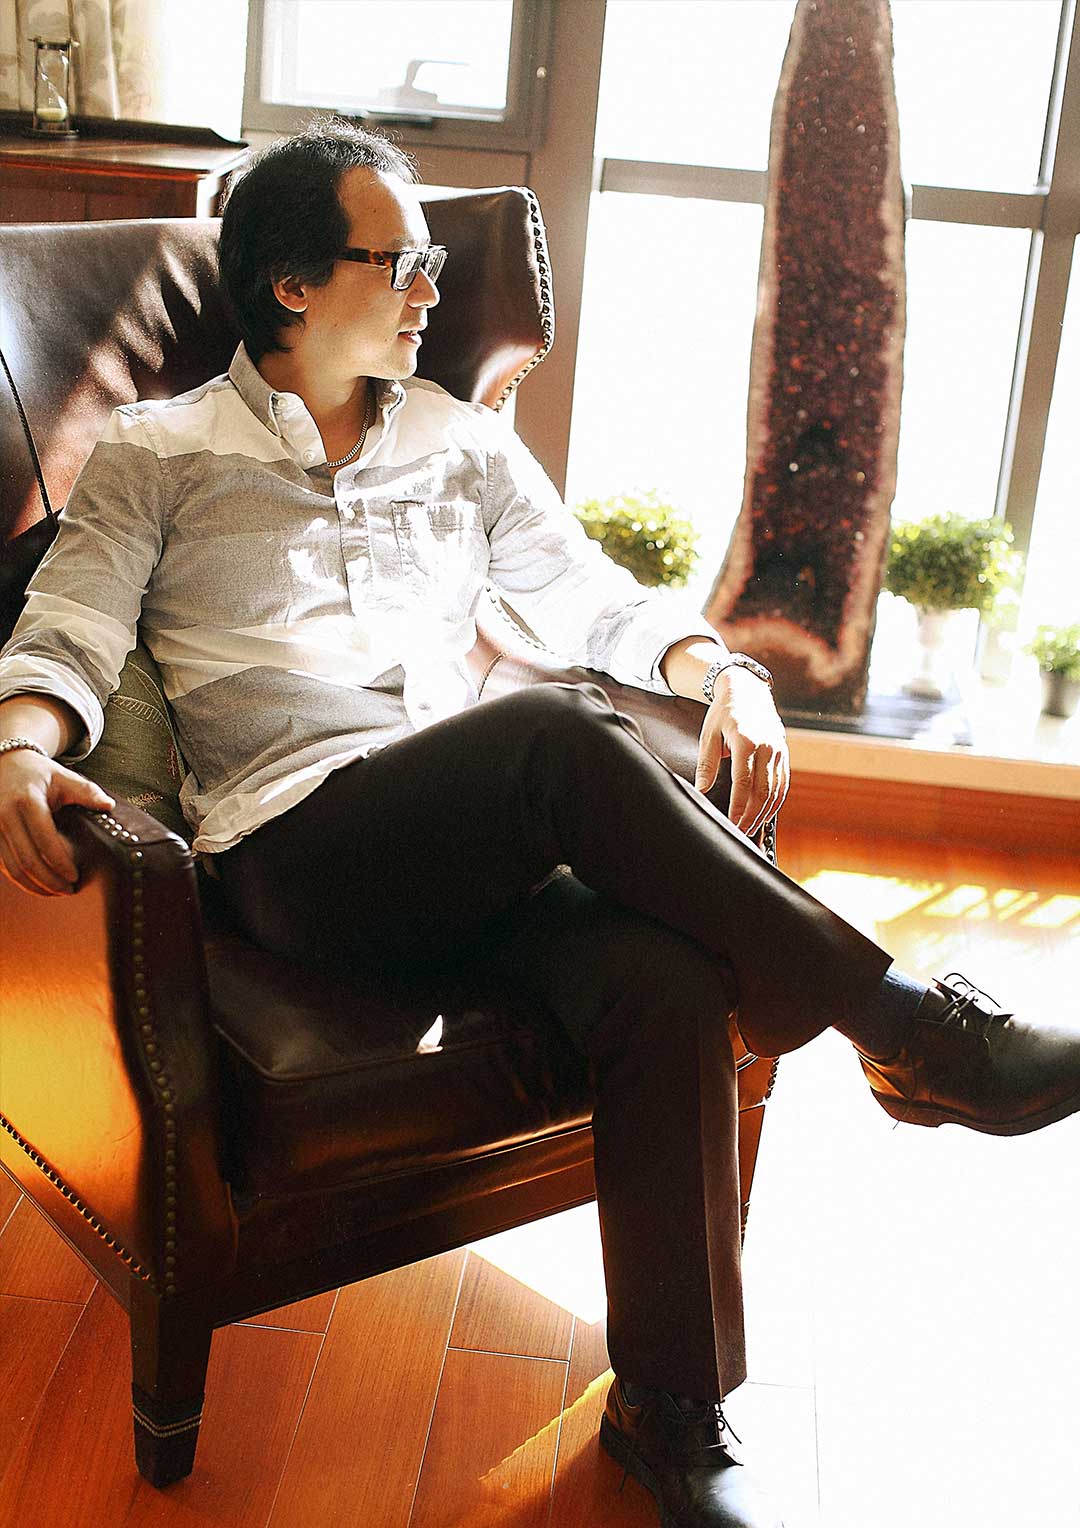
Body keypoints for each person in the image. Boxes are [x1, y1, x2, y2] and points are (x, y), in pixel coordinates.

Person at [0, 121, 1078, 1528]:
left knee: (662, 978)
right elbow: (69, 626)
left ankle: (671, 1417)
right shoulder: (159, 453)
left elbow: (590, 597)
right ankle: (904, 1028)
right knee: (562, 736)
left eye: (436, 265)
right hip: (296, 856)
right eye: (401, 262)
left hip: (471, 843)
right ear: (292, 286)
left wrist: (721, 670)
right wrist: (19, 748)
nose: (431, 289)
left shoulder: (457, 441)